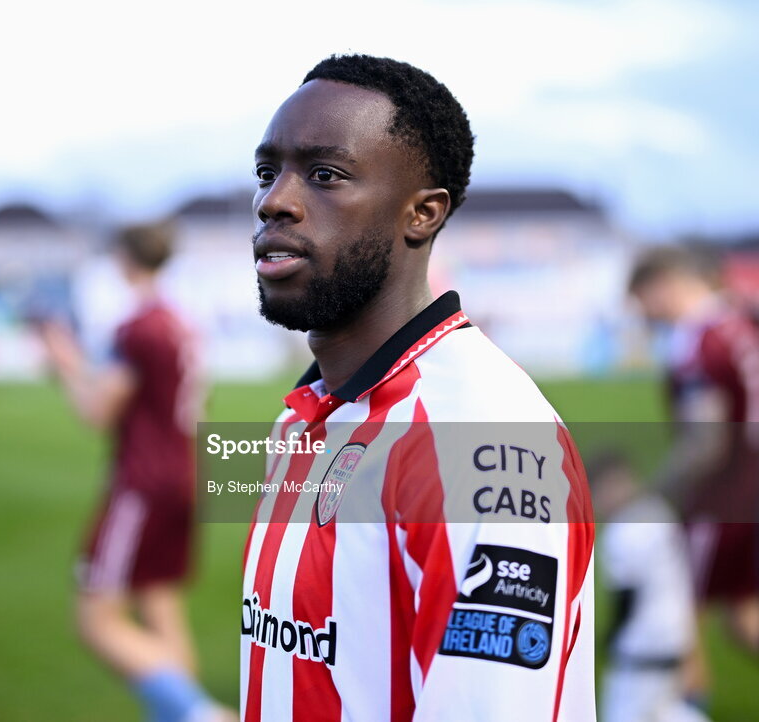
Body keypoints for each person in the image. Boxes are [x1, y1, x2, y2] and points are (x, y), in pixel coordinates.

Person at [241, 54, 595, 721]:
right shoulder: (307, 417)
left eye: (325, 175)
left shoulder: (480, 436)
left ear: (423, 214)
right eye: (267, 173)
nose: (273, 201)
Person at [38, 223, 230, 722]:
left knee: (97, 619)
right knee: (160, 605)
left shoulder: (138, 328)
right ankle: (186, 712)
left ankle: (201, 714)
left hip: (144, 484)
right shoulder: (182, 324)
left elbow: (97, 412)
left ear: (124, 259)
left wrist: (65, 362)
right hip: (186, 474)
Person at [628, 246, 759, 700]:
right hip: (749, 488)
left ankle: (688, 709)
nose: (645, 316)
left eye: (643, 302)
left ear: (662, 284)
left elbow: (707, 439)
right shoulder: (740, 323)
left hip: (722, 497)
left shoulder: (700, 339)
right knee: (743, 614)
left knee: (677, 615)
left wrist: (654, 492)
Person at [589, 451, 709, 722]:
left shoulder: (623, 531)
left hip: (642, 650)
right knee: (662, 712)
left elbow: (626, 599)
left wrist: (607, 639)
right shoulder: (657, 510)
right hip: (676, 637)